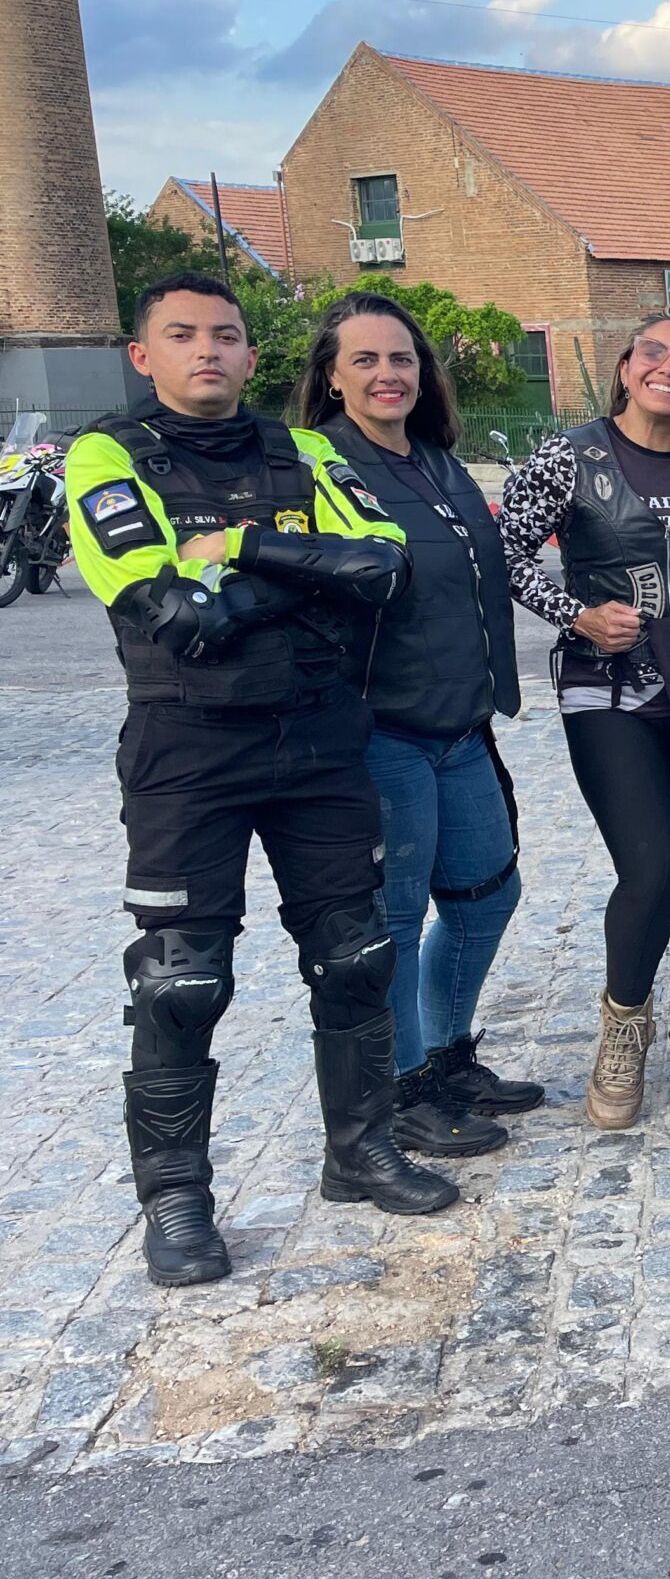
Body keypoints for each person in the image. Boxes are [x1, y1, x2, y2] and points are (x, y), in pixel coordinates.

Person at [66, 272, 452, 1288]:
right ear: (143, 355)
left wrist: (237, 547)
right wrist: (302, 574)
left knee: (358, 955)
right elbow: (169, 609)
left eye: (228, 337)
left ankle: (359, 1150)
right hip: (188, 751)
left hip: (320, 740)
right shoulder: (108, 455)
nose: (210, 351)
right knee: (181, 980)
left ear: (251, 356)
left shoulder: (308, 450)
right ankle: (178, 1201)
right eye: (184, 335)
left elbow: (383, 566)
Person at [294, 292, 543, 1157]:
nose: (387, 373)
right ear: (331, 376)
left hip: (462, 724)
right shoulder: (319, 466)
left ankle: (444, 1056)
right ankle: (397, 1091)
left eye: (400, 358)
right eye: (363, 360)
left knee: (487, 896)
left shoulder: (437, 460)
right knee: (394, 921)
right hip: (382, 729)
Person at [499, 309, 670, 1130]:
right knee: (655, 864)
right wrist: (574, 613)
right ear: (626, 364)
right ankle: (623, 1030)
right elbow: (500, 555)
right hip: (608, 691)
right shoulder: (570, 455)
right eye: (654, 353)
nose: (669, 369)